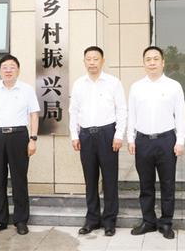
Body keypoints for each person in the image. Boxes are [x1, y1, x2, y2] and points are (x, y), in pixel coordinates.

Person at [127, 46, 185, 240]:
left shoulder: (174, 86)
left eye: (155, 59)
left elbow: (180, 115)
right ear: (143, 63)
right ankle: (148, 221)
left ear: (163, 62)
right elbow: (131, 114)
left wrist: (180, 140)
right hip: (143, 141)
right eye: (148, 59)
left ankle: (166, 222)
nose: (152, 62)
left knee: (168, 184)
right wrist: (130, 138)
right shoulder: (136, 87)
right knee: (146, 184)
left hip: (166, 141)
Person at [69, 46, 127, 237]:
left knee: (110, 179)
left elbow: (121, 110)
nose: (92, 62)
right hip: (86, 135)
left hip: (107, 134)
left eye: (96, 59)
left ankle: (109, 220)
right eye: (88, 59)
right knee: (90, 179)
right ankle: (92, 219)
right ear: (84, 62)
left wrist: (119, 135)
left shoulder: (113, 82)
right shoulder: (79, 84)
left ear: (102, 61)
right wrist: (74, 135)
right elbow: (73, 111)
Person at [0, 54, 40, 236]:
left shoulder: (27, 90)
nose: (8, 70)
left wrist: (33, 139)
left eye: (12, 67)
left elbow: (34, 114)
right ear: (0, 70)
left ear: (18, 70)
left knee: (19, 179)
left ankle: (21, 220)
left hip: (19, 136)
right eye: (5, 67)